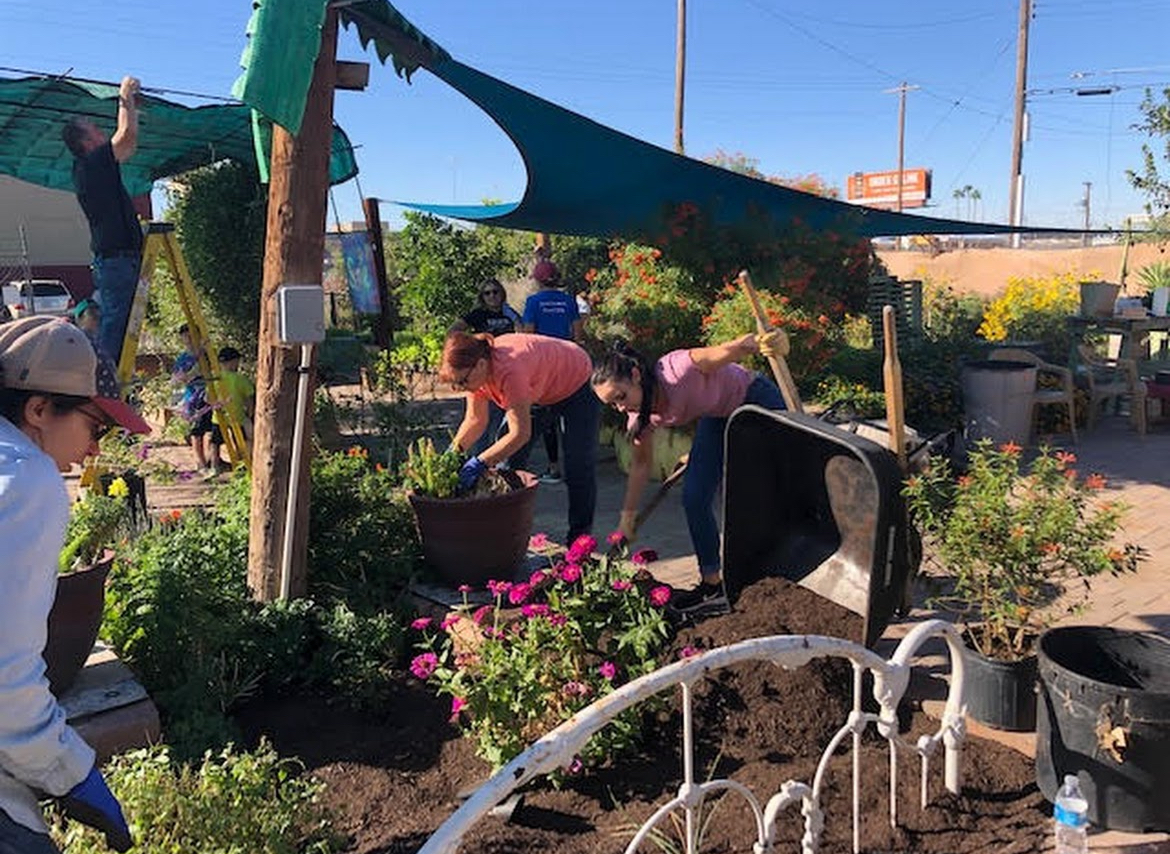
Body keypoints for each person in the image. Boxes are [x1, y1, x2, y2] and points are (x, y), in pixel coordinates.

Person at [0, 315, 149, 854]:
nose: (94, 450)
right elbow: (4, 679)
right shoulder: (26, 482)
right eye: (96, 427)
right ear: (38, 409)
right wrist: (70, 771)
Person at [590, 332, 786, 620]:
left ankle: (774, 566)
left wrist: (764, 341)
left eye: (621, 397)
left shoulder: (679, 369)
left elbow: (729, 349)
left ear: (635, 375)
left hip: (755, 399)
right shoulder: (640, 418)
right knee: (694, 497)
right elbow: (641, 466)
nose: (621, 408)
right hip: (718, 417)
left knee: (756, 488)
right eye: (613, 405)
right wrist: (627, 517)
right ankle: (712, 584)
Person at [440, 329, 600, 544]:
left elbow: (519, 434)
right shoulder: (474, 374)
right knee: (507, 464)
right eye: (456, 384)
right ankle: (507, 536)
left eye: (462, 382)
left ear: (480, 365)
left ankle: (579, 544)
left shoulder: (509, 370)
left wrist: (479, 462)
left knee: (578, 467)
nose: (461, 388)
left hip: (577, 381)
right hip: (538, 388)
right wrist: (452, 453)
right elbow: (475, 421)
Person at [61, 75, 143, 364]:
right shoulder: (90, 164)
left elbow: (128, 146)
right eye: (94, 129)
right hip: (117, 260)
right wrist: (125, 96)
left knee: (121, 326)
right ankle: (106, 380)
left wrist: (132, 106)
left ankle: (110, 377)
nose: (100, 132)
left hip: (120, 259)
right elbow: (126, 137)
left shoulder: (96, 168)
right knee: (115, 326)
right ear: (86, 142)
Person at [521, 259, 582, 484]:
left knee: (548, 420)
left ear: (537, 280)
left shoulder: (533, 302)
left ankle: (554, 468)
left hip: (545, 367)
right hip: (569, 363)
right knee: (569, 418)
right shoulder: (569, 301)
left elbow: (529, 336)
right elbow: (578, 335)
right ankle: (575, 467)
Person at [461, 279, 522, 456]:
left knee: (506, 418)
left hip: (508, 368)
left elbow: (524, 333)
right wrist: (472, 343)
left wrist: (514, 317)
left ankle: (500, 457)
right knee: (482, 417)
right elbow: (454, 331)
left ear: (502, 293)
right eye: (487, 293)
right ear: (482, 297)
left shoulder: (509, 313)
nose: (492, 296)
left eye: (495, 292)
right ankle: (480, 458)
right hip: (484, 369)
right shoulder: (478, 314)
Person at [172, 324, 224, 479]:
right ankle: (200, 462)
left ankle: (214, 459)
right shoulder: (183, 358)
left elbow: (219, 369)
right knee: (197, 430)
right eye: (186, 336)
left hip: (211, 392)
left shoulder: (208, 354)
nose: (189, 339)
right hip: (193, 396)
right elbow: (176, 379)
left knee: (214, 427)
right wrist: (188, 375)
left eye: (192, 335)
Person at [213, 345, 255, 446]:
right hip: (238, 417)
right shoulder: (240, 379)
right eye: (237, 361)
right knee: (243, 441)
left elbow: (208, 397)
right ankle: (245, 459)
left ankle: (215, 461)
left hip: (218, 417)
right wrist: (250, 414)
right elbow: (249, 399)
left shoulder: (215, 379)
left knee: (215, 443)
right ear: (232, 362)